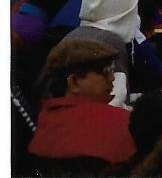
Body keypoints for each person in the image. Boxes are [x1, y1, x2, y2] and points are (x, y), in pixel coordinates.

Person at [28, 38, 136, 173]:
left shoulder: (45, 123)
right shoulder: (124, 120)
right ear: (74, 82)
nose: (112, 77)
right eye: (106, 70)